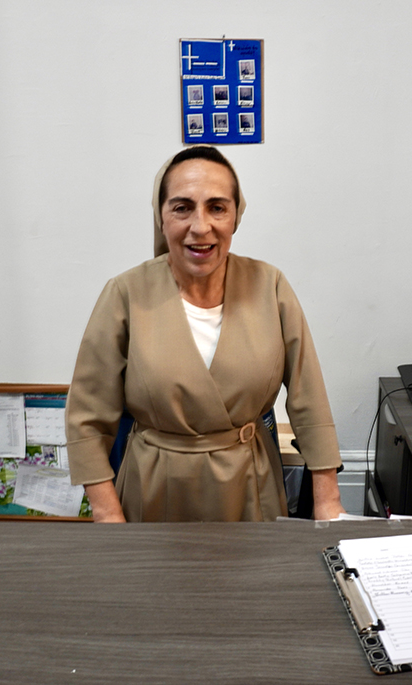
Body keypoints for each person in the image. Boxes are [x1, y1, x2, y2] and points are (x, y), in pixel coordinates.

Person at [65, 146, 346, 522]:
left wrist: (327, 501)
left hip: (251, 486)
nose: (200, 227)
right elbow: (86, 417)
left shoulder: (270, 286)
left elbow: (308, 399)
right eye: (182, 208)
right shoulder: (125, 294)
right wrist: (107, 514)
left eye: (217, 207)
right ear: (161, 217)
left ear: (235, 216)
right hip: (153, 490)